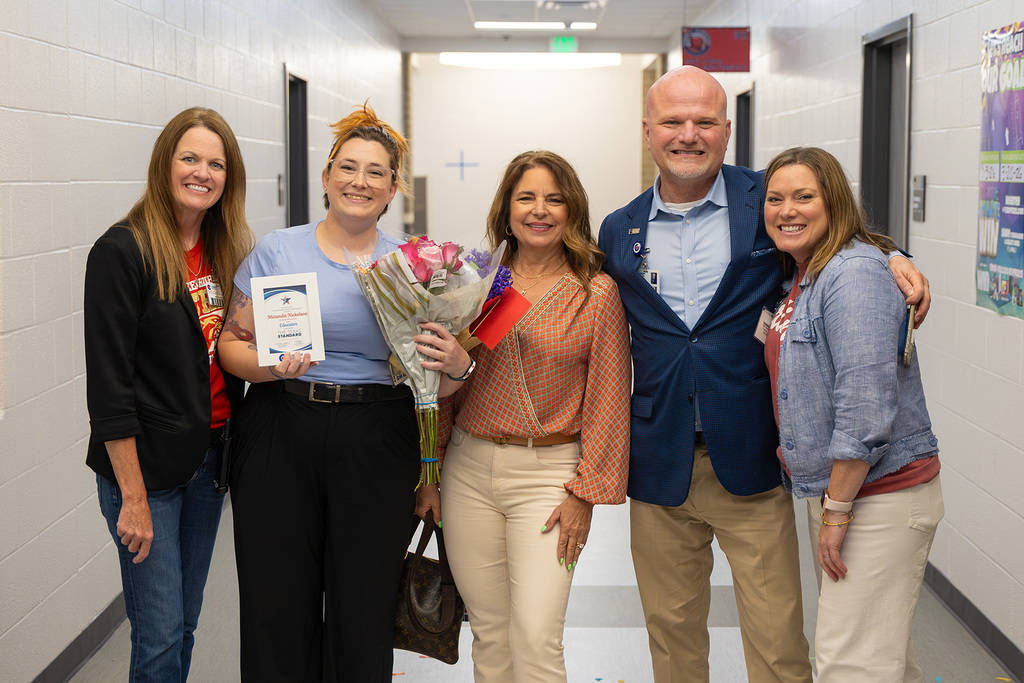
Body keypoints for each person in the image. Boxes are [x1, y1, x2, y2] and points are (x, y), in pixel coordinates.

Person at [597, 65, 932, 683]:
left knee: (778, 641)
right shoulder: (620, 229)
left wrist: (894, 256)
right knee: (670, 638)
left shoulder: (767, 201)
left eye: (704, 121)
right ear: (648, 131)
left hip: (753, 457)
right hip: (659, 459)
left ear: (727, 131)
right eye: (673, 121)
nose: (688, 134)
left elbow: (835, 234)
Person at [217, 103, 419, 682]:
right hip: (283, 424)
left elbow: (434, 370)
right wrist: (270, 368)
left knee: (363, 603)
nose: (360, 181)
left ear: (391, 189)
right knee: (276, 600)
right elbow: (231, 346)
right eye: (348, 167)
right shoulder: (280, 251)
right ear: (327, 176)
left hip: (377, 437)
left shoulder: (411, 264)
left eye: (376, 172)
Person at [414, 150, 631, 682]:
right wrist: (431, 471)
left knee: (536, 635)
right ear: (506, 208)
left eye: (554, 199)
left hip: (549, 479)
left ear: (572, 210)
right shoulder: (477, 284)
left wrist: (584, 493)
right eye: (526, 197)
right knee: (490, 632)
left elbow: (609, 399)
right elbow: (441, 392)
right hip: (469, 472)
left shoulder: (594, 293)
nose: (540, 210)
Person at [84, 106, 253, 681]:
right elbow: (109, 393)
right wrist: (131, 496)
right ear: (165, 164)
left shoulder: (225, 249)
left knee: (185, 624)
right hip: (148, 476)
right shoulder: (122, 252)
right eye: (189, 158)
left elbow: (229, 348)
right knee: (157, 638)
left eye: (216, 163)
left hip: (209, 463)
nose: (202, 172)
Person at [763, 146, 943, 681]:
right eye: (775, 199)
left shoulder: (853, 274)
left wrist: (836, 512)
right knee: (881, 658)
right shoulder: (801, 271)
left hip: (877, 497)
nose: (787, 210)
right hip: (847, 492)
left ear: (833, 203)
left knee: (850, 664)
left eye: (804, 197)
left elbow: (865, 408)